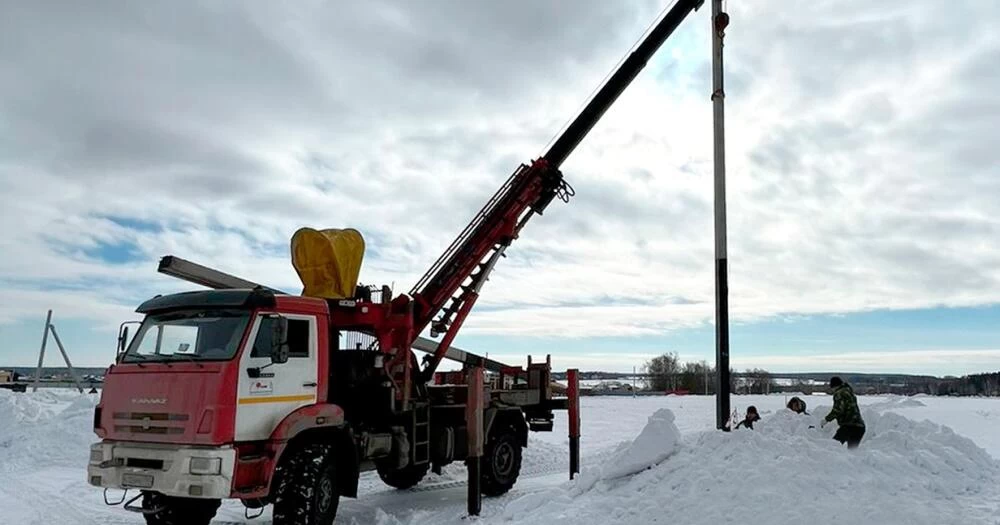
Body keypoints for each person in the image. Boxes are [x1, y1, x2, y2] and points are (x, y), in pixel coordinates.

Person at [821, 376, 866, 449]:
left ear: (834, 386)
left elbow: (838, 410)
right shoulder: (848, 391)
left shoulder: (839, 393)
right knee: (852, 452)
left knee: (833, 447)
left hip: (849, 426)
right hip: (860, 427)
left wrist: (826, 419)